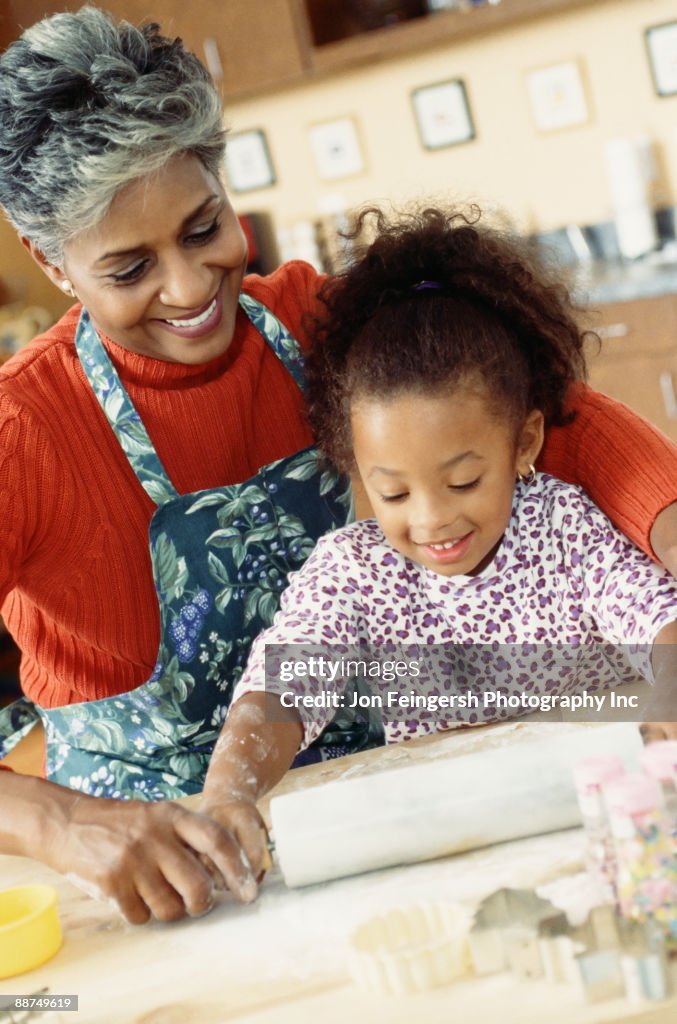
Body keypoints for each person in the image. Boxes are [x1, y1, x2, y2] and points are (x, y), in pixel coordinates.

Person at [0, 6, 674, 923]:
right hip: (174, 883)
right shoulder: (22, 430)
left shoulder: (325, 328)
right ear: (50, 261)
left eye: (204, 229)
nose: (193, 288)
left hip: (378, 819)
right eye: (129, 269)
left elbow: (563, 419)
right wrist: (63, 824)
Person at [201, 206, 677, 875]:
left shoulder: (561, 528)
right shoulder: (352, 573)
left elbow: (658, 620)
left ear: (524, 443)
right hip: (452, 839)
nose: (429, 520)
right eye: (392, 492)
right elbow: (281, 691)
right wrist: (229, 790)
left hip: (599, 820)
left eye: (462, 481)